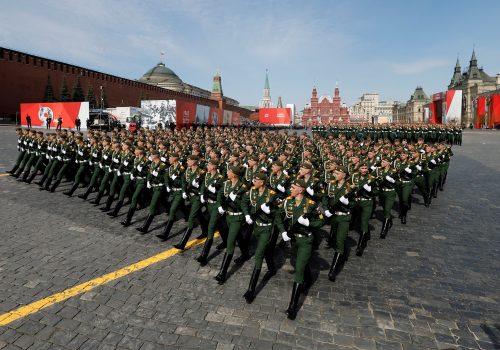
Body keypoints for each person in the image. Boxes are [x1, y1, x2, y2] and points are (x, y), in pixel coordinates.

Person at [275, 179, 323, 320]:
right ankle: (308, 279)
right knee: (299, 261)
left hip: (306, 240)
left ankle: (292, 307)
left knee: (299, 270)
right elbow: (278, 215)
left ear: (301, 190)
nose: (290, 188)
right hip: (293, 240)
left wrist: (309, 222)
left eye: (293, 187)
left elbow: (321, 221)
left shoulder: (311, 204)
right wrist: (283, 231)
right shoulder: (287, 202)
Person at [242, 172, 277, 303]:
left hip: (266, 228)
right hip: (256, 227)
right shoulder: (252, 191)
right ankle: (272, 268)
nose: (253, 181)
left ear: (262, 182)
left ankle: (251, 290)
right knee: (265, 248)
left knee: (258, 255)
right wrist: (246, 215)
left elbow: (279, 212)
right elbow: (244, 203)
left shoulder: (271, 195)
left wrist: (271, 211)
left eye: (255, 180)